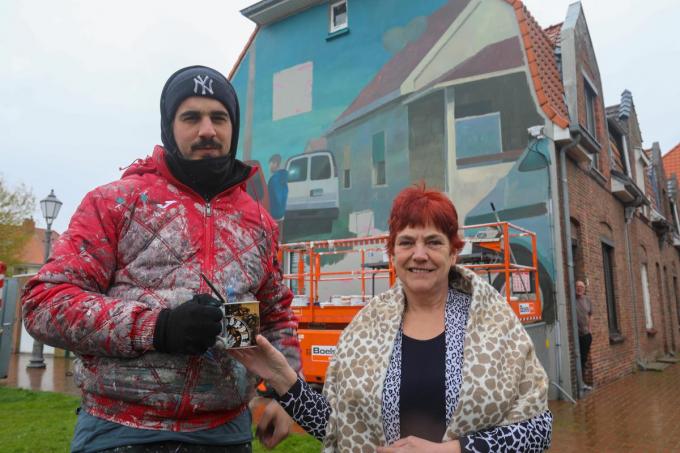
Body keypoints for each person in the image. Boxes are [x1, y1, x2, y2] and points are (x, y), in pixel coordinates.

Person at [21, 65, 301, 453]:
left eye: (219, 117)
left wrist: (285, 396)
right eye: (191, 117)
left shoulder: (258, 223)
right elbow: (44, 304)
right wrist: (158, 327)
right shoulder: (116, 202)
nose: (208, 130)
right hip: (121, 431)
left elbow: (273, 316)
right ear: (169, 127)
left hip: (226, 434)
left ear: (232, 127)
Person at [231, 184, 553, 452]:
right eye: (407, 242)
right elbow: (336, 426)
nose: (420, 254)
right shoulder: (365, 328)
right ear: (392, 253)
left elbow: (538, 429)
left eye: (433, 242)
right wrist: (282, 379)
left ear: (454, 252)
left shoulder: (494, 323)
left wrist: (453, 451)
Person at [575, 280, 592, 387]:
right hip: (576, 335)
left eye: (581, 286)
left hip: (586, 334)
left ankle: (582, 381)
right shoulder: (572, 300)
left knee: (584, 358)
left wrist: (590, 329)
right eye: (578, 286)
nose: (580, 288)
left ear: (584, 288)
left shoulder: (587, 300)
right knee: (578, 357)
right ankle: (579, 383)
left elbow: (591, 314)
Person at [267, 153, 288, 239]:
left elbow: (276, 196)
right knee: (279, 237)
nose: (269, 167)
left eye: (270, 164)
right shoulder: (283, 176)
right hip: (281, 213)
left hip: (274, 213)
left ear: (275, 163)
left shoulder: (274, 179)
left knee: (274, 237)